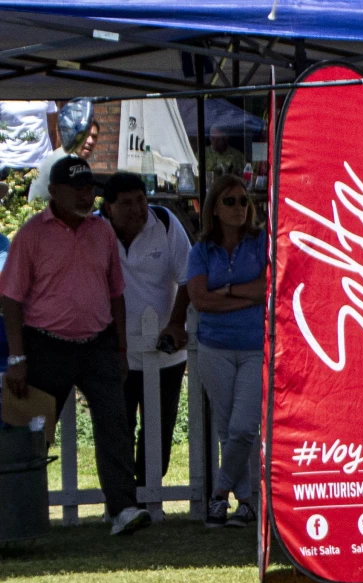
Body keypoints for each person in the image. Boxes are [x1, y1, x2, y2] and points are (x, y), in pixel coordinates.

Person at [0, 155, 151, 535]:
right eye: (78, 189)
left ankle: (123, 509)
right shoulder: (31, 235)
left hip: (98, 344)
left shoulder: (102, 232)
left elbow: (115, 293)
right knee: (31, 431)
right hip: (45, 344)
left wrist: (119, 349)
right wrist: (17, 356)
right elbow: (11, 299)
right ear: (54, 192)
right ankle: (18, 511)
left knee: (115, 424)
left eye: (89, 189)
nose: (87, 196)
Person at [101, 172, 192, 495]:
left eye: (141, 199)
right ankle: (126, 496)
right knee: (118, 426)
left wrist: (176, 323)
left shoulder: (165, 222)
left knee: (160, 428)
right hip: (116, 349)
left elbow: (188, 276)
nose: (137, 209)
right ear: (108, 207)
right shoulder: (95, 232)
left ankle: (148, 490)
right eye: (126, 203)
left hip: (165, 350)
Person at [186, 175, 266, 529]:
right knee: (227, 428)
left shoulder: (261, 243)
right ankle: (246, 503)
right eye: (230, 201)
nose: (239, 208)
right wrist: (243, 294)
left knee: (245, 426)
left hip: (254, 347)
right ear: (214, 208)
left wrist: (226, 291)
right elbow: (200, 300)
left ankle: (219, 495)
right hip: (213, 347)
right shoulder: (200, 251)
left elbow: (268, 288)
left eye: (243, 201)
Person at [29, 120, 100, 202]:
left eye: (94, 137)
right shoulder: (66, 160)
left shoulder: (72, 157)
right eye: (85, 135)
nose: (90, 141)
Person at [0, 100, 59, 173]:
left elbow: (53, 130)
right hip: (9, 163)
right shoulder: (4, 93)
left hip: (42, 163)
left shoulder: (45, 91)